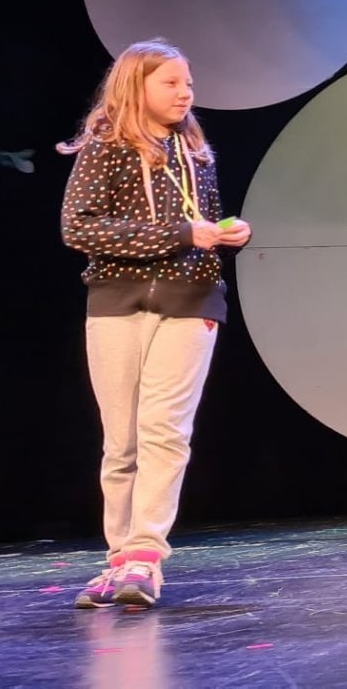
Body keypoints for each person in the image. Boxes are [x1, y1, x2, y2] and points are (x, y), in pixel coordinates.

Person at [58, 39, 252, 609]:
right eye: (170, 82)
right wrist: (181, 234)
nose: (185, 92)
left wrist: (225, 235)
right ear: (134, 86)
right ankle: (120, 558)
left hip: (190, 300)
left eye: (188, 82)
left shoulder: (196, 151)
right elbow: (79, 228)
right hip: (117, 302)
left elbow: (199, 223)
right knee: (121, 441)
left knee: (164, 430)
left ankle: (145, 554)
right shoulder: (105, 149)